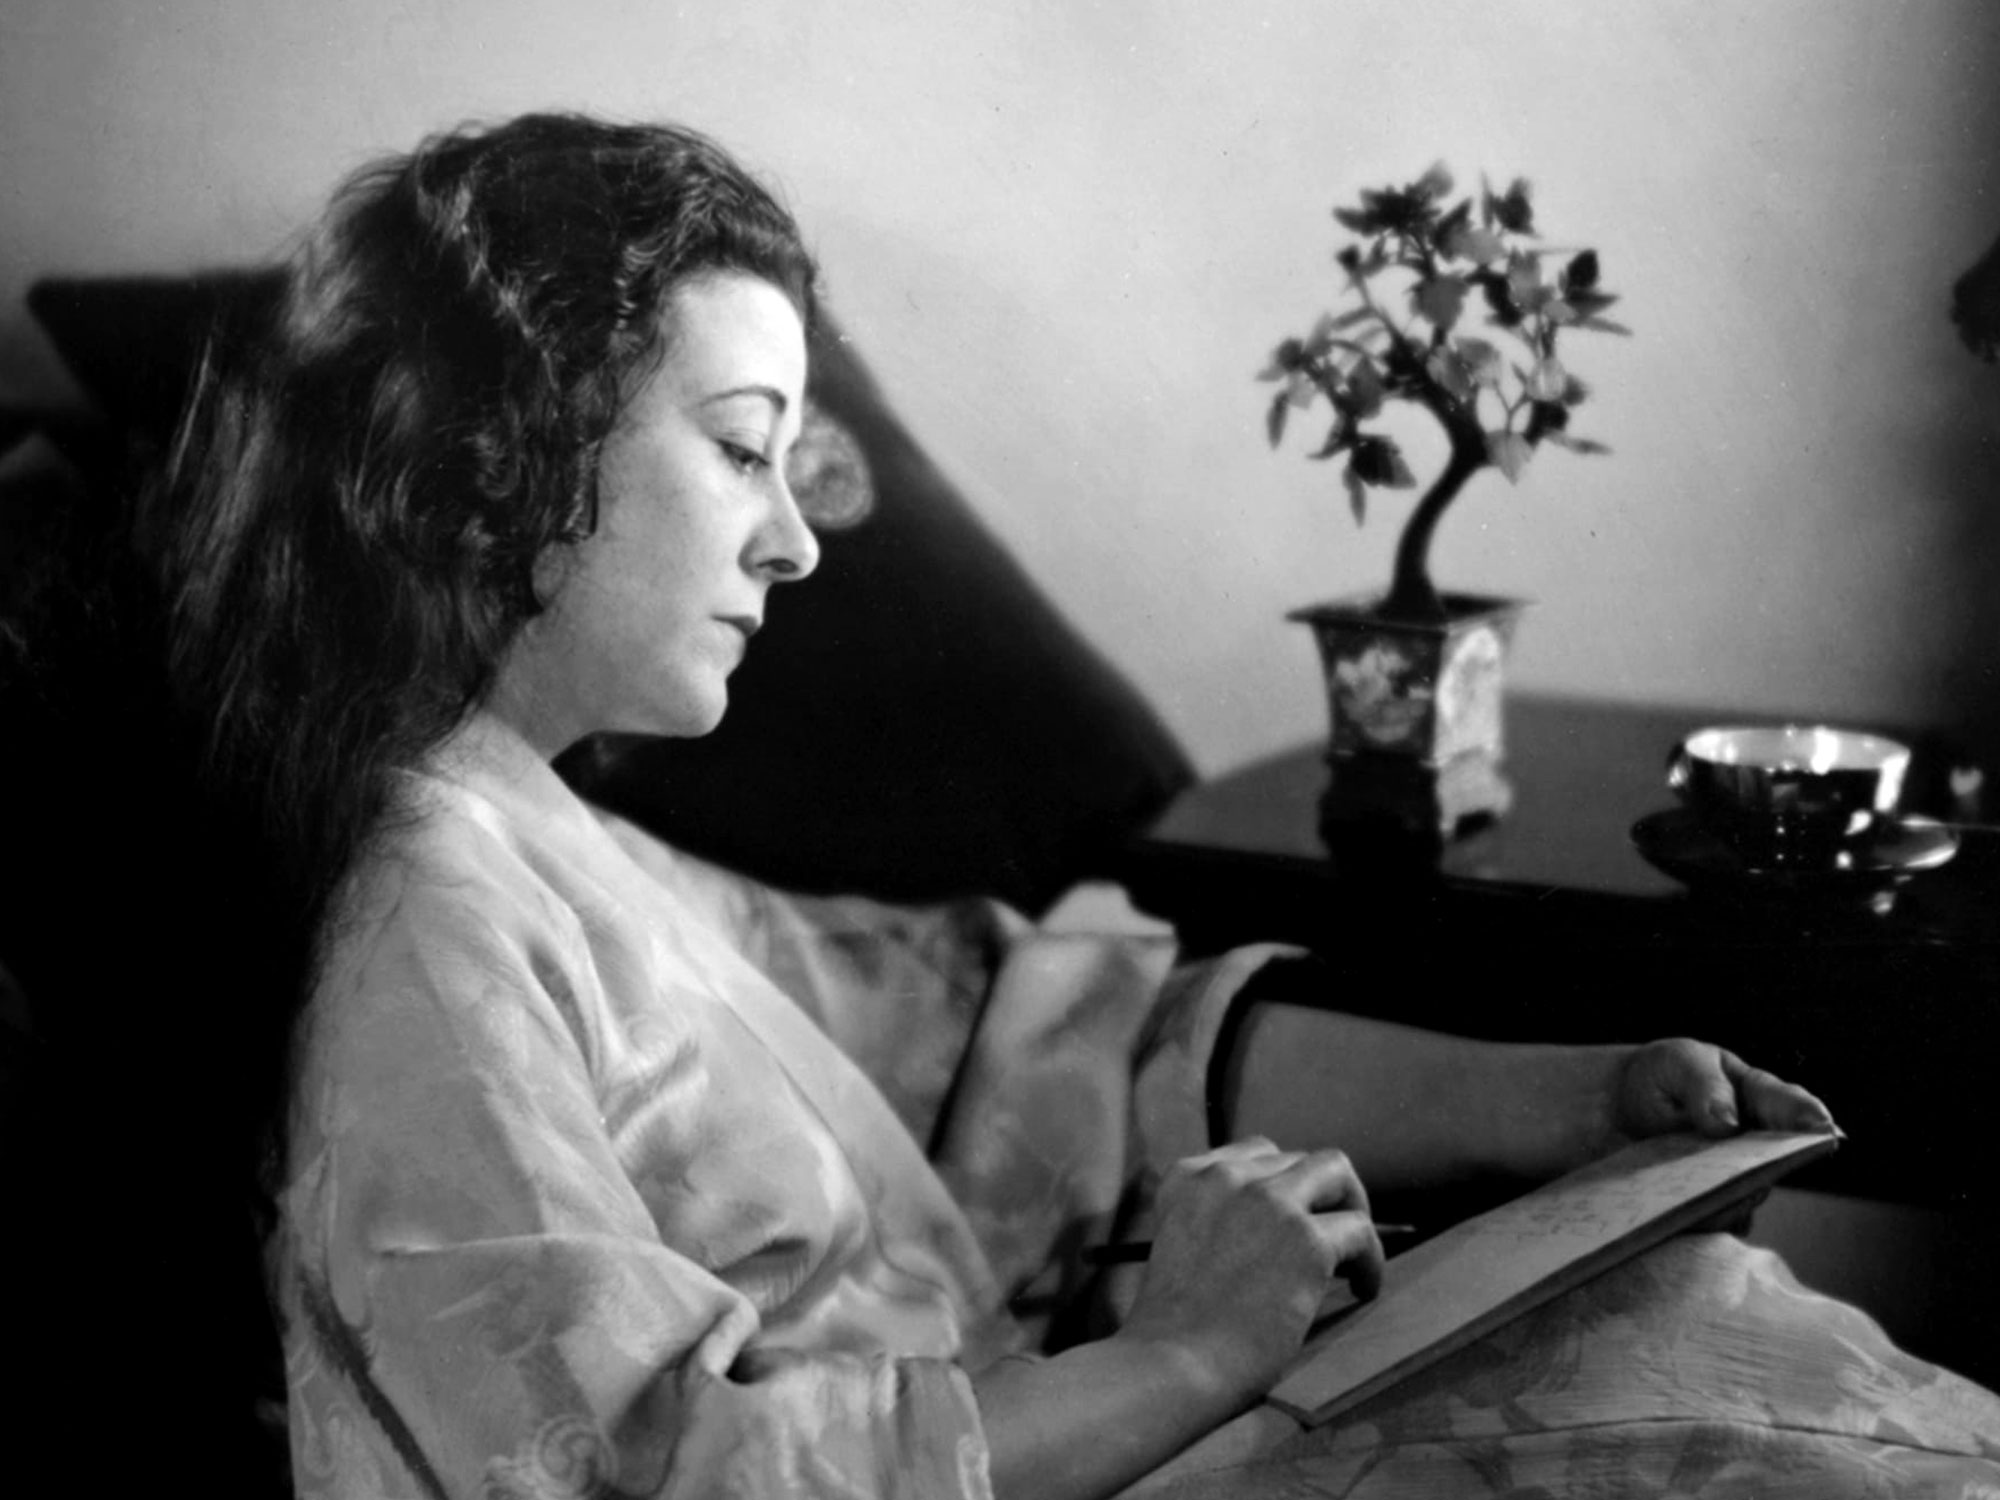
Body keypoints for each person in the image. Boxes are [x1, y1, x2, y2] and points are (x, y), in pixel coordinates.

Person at [148, 112, 2000, 1500]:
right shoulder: (427, 927)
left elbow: (1011, 1031)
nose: (794, 541)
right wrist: (1188, 1351)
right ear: (507, 457)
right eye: (738, 451)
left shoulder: (560, 853)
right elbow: (635, 1473)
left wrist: (1569, 1103)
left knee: (1692, 1311)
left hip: (1080, 1416)